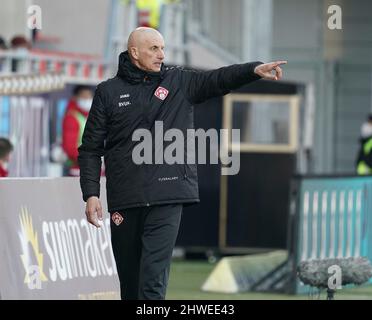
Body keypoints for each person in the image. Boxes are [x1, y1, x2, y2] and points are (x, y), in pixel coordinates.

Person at [78, 27, 287, 300]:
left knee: (152, 283)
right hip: (125, 199)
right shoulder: (108, 92)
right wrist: (91, 194)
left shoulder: (178, 82)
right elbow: (91, 148)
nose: (161, 54)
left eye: (163, 48)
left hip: (167, 196)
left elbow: (218, 79)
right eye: (154, 48)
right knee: (130, 286)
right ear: (134, 52)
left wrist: (252, 70)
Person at [62, 85, 93, 176]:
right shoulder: (71, 117)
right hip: (77, 169)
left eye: (89, 96)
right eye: (84, 96)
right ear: (75, 98)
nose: (87, 99)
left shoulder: (87, 116)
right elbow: (69, 147)